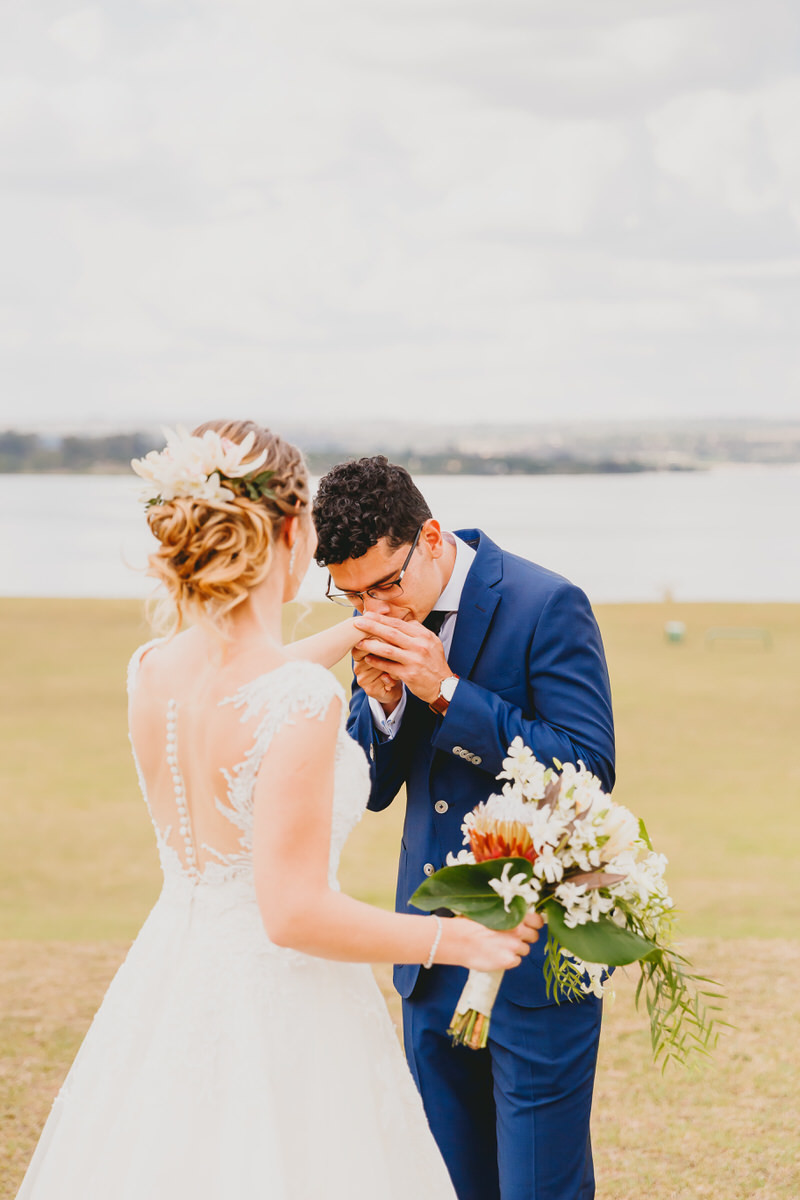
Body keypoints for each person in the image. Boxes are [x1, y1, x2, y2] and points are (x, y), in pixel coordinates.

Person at [16, 422, 542, 1200]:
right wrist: (458, 940)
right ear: (294, 532)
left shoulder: (153, 672)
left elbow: (241, 683)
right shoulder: (296, 701)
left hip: (173, 980)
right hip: (283, 1004)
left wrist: (358, 627)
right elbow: (292, 914)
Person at [312, 456, 616, 1200]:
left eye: (387, 585)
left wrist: (445, 692)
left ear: (432, 536)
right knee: (446, 1186)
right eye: (351, 595)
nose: (374, 610)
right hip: (428, 958)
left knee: (540, 1188)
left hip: (535, 960)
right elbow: (376, 789)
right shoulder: (375, 619)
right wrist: (382, 706)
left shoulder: (548, 603)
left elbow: (588, 768)